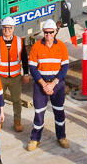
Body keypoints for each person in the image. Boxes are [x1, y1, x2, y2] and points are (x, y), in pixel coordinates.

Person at [25, 19, 70, 151]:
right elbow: (33, 68)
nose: (48, 35)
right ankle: (35, 139)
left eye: (51, 32)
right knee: (39, 112)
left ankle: (61, 136)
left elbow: (65, 67)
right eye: (46, 32)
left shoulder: (61, 46)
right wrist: (44, 84)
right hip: (41, 83)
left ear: (55, 32)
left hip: (57, 84)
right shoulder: (36, 46)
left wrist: (53, 84)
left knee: (59, 111)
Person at [0, 16, 27, 132]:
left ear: (13, 28)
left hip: (15, 77)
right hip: (0, 77)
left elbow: (24, 59)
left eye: (9, 28)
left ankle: (17, 121)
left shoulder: (20, 41)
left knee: (16, 100)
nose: (7, 30)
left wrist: (26, 73)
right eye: (5, 28)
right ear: (2, 28)